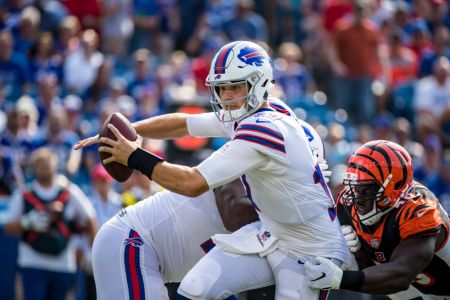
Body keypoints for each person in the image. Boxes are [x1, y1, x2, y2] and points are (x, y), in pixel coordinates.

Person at [76, 40, 353, 299]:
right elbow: (184, 123)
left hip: (308, 249)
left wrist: (135, 156)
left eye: (235, 87)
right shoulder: (266, 114)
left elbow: (192, 183)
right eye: (222, 88)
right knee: (194, 290)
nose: (227, 96)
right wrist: (132, 131)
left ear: (259, 84)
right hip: (273, 235)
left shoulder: (263, 131)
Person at [89, 99, 330, 299]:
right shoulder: (248, 165)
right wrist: (130, 139)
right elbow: (234, 211)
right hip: (133, 241)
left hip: (168, 264)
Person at [303, 140, 450, 300]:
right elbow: (374, 273)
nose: (356, 198)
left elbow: (401, 275)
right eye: (355, 187)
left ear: (393, 186)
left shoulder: (419, 209)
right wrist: (356, 254)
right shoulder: (347, 204)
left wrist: (341, 279)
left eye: (366, 188)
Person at [1, 147, 97, 300]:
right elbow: (8, 227)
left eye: (48, 162)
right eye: (41, 163)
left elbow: (90, 217)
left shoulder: (69, 191)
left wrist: (92, 253)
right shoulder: (25, 193)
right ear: (34, 167)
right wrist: (27, 222)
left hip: (63, 263)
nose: (45, 166)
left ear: (55, 165)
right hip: (32, 262)